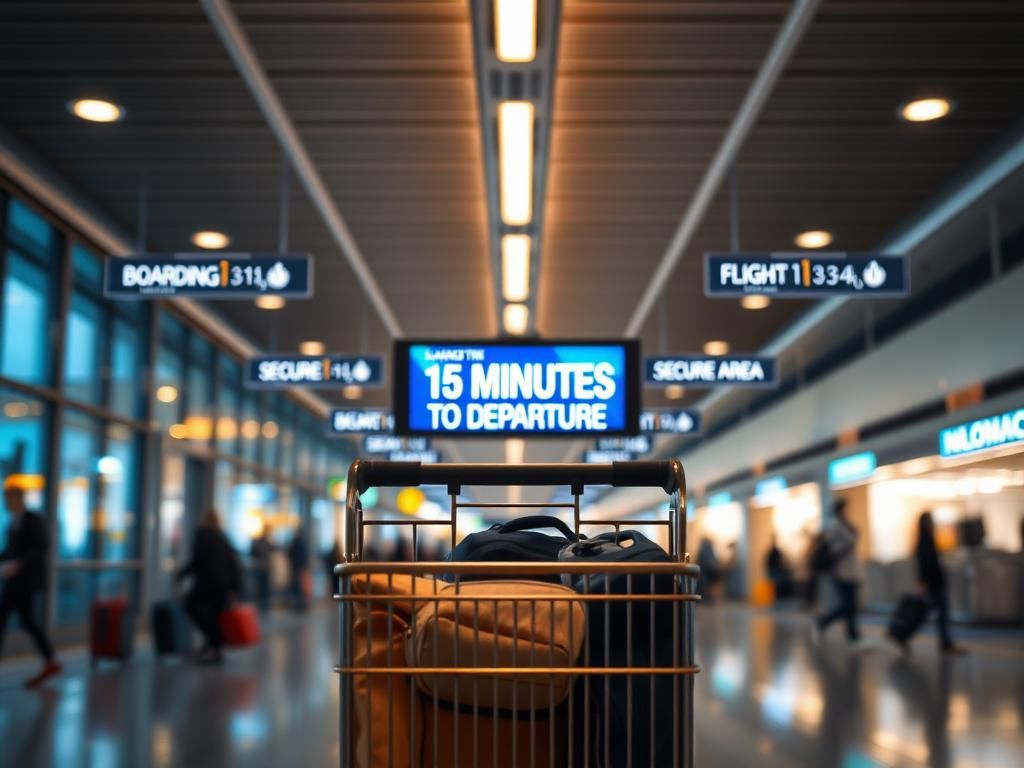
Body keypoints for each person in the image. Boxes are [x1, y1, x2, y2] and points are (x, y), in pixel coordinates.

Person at [0, 482, 62, 686]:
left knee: (25, 620)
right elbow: (10, 551)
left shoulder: (32, 520)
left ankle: (51, 659)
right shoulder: (14, 522)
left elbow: (40, 547)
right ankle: (50, 659)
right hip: (14, 581)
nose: (6, 502)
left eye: (9, 498)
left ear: (18, 498)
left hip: (25, 582)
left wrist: (18, 564)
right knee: (21, 620)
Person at [895, 511, 967, 656]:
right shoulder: (925, 541)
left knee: (932, 613)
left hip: (935, 583)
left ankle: (907, 636)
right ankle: (942, 642)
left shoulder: (927, 539)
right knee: (935, 614)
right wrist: (923, 582)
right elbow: (925, 564)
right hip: (933, 584)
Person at [177, 509, 241, 665]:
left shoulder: (203, 535)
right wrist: (234, 588)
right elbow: (233, 563)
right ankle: (213, 648)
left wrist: (182, 574)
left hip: (208, 583)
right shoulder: (223, 537)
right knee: (216, 615)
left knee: (191, 606)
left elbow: (198, 560)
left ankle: (214, 641)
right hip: (223, 585)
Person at [812, 500, 862, 646]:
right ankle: (823, 622)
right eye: (846, 509)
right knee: (848, 604)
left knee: (851, 604)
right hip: (841, 572)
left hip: (851, 571)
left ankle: (852, 634)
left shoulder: (846, 525)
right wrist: (849, 542)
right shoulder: (835, 527)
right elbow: (837, 548)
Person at [249, 527, 272, 614]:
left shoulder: (263, 543)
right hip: (261, 568)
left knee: (263, 588)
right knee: (261, 588)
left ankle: (264, 605)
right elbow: (253, 553)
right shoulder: (260, 543)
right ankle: (262, 605)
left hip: (263, 568)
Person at [287, 526, 310, 612]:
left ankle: (300, 604)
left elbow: (290, 553)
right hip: (300, 567)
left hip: (297, 567)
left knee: (299, 586)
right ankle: (301, 604)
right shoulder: (302, 542)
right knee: (300, 586)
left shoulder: (296, 542)